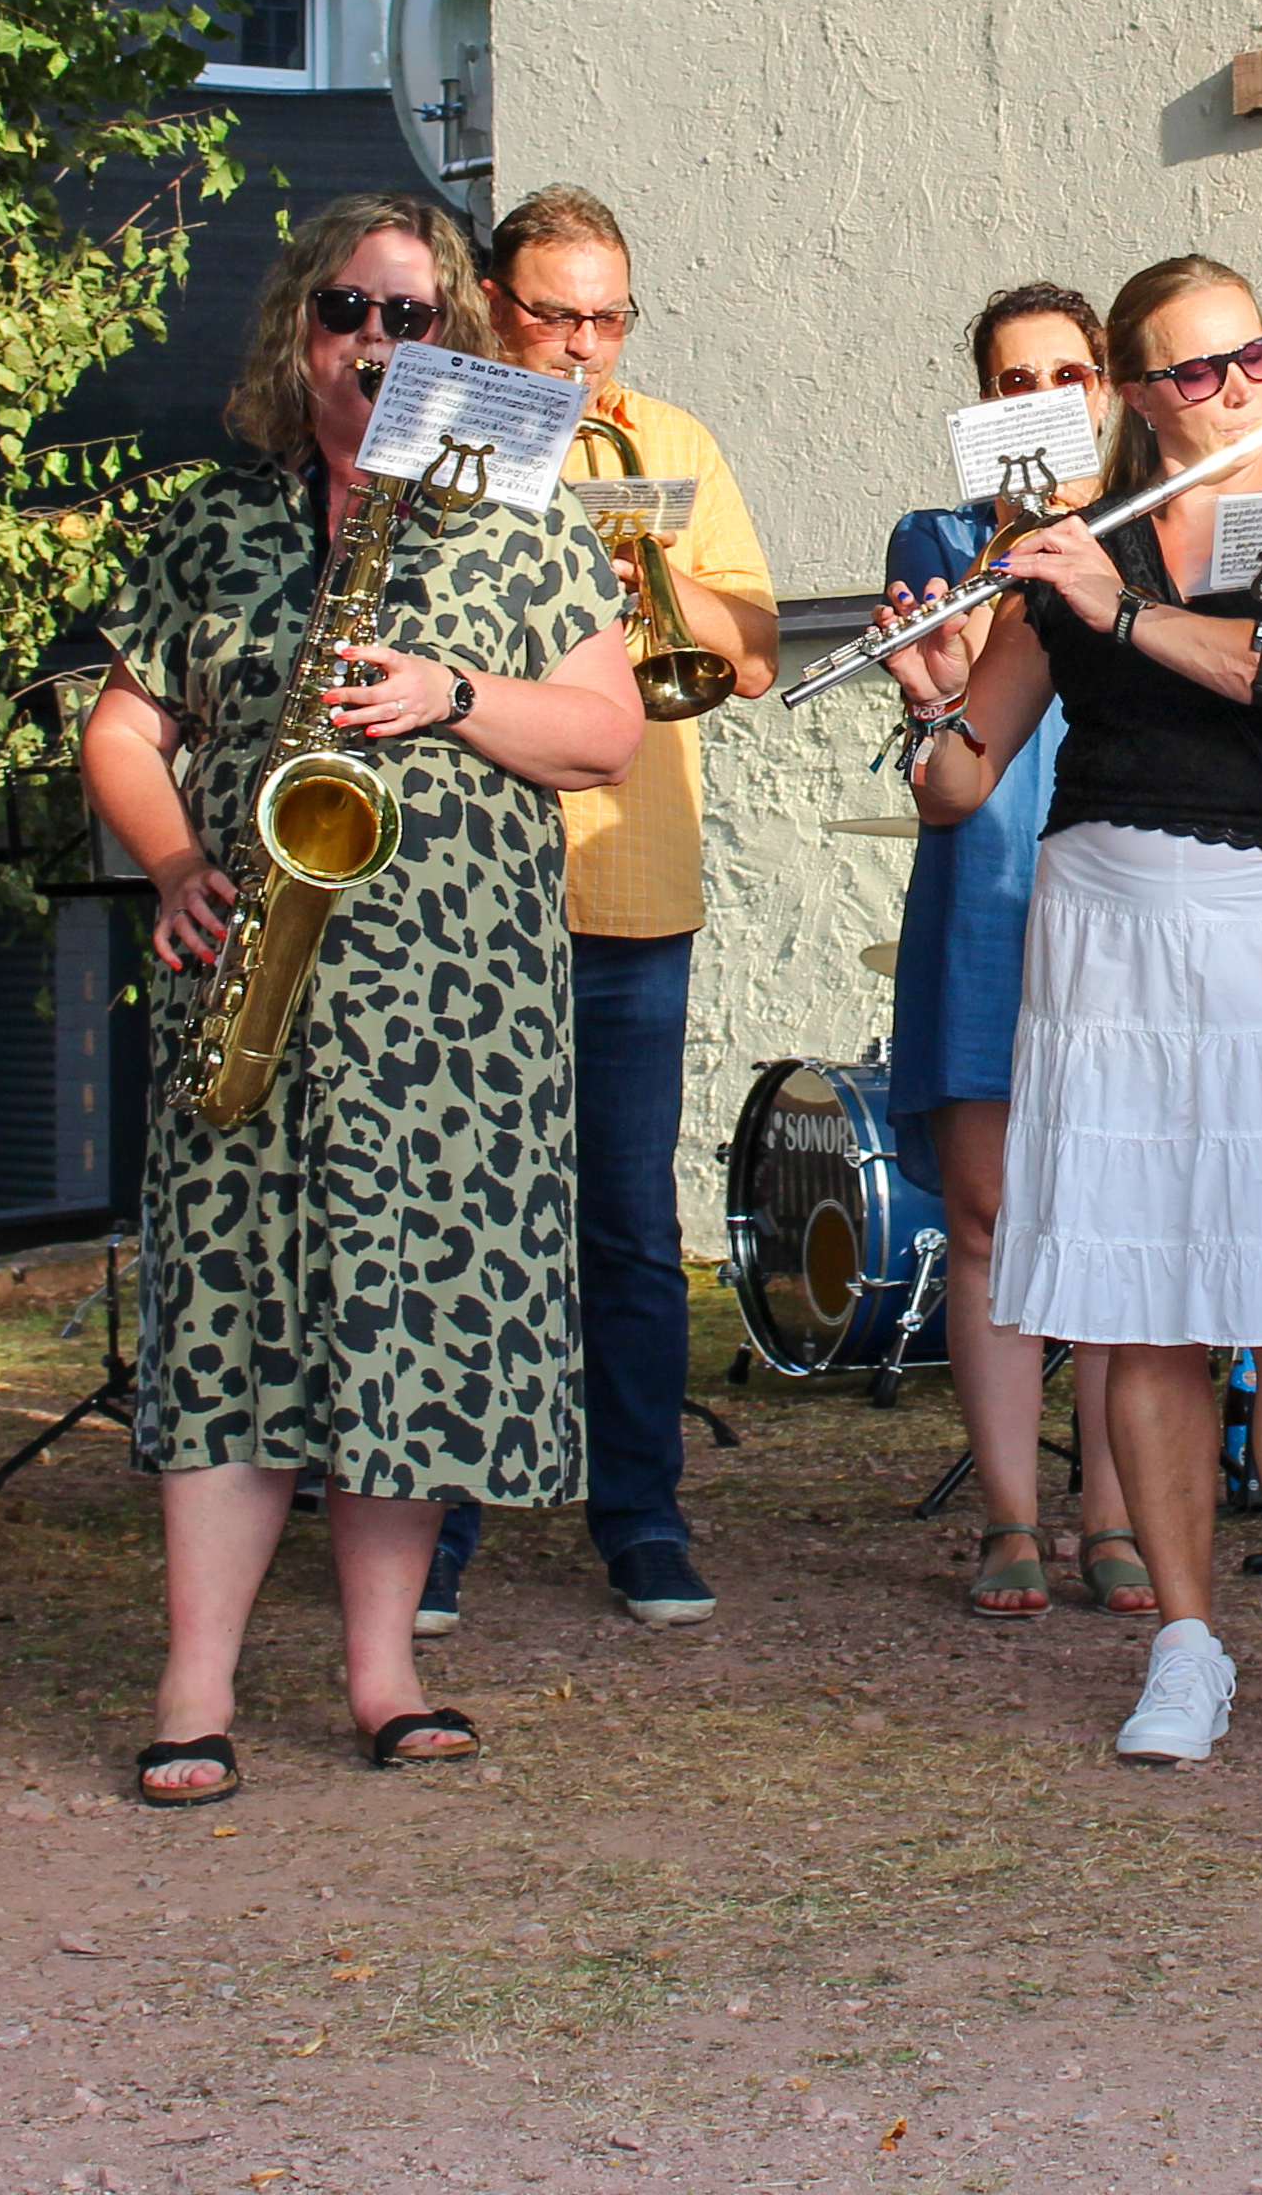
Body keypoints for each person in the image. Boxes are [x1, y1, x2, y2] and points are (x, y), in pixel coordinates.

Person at [80, 195, 645, 1803]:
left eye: (410, 319)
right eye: (347, 313)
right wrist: (176, 855)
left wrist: (452, 696)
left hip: (455, 1003)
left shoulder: (525, 525)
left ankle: (384, 1673)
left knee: (417, 1324)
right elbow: (125, 728)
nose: (376, 345)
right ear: (299, 334)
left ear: (455, 342)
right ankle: (194, 1687)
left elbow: (606, 734)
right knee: (227, 1321)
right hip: (252, 974)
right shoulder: (221, 521)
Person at [880, 258, 1262, 1767]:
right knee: (1147, 1304)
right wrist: (930, 691)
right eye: (1197, 370)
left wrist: (1122, 612)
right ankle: (1185, 1643)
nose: (1236, 386)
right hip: (1099, 926)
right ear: (1132, 390)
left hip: (1261, 917)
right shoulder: (1065, 549)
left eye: (1254, 355)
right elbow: (965, 782)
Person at [447, 184, 780, 1630]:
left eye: (610, 315)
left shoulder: (674, 442)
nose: (587, 344)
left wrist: (641, 560)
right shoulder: (438, 437)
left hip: (629, 882)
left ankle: (639, 1516)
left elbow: (755, 655)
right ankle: (435, 1522)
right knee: (454, 1207)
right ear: (493, 303)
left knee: (628, 1226)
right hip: (463, 887)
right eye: (558, 314)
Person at [884, 280, 1142, 1620]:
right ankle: (1008, 1519)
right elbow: (960, 718)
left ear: (1101, 391)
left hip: (1109, 880)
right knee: (986, 1218)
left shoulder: (1147, 533)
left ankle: (1115, 1510)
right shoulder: (933, 534)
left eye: (1064, 376)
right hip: (985, 885)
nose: (1039, 401)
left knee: (1104, 1215)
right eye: (1011, 381)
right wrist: (942, 671)